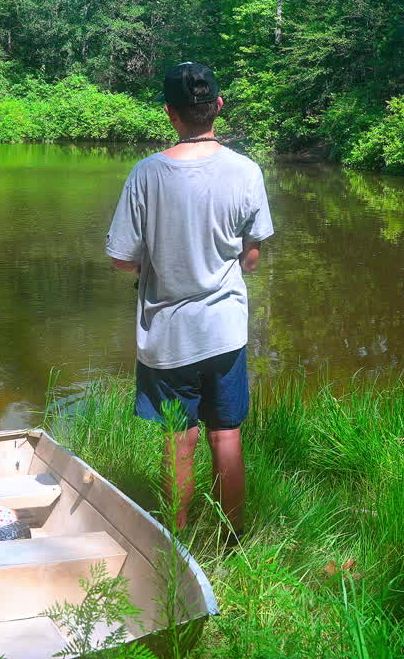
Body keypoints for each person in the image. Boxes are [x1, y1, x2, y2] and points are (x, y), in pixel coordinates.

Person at [105, 61, 274, 538]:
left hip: (168, 335)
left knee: (179, 440)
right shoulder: (246, 171)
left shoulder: (146, 174)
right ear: (218, 105)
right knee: (226, 434)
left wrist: (154, 267)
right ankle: (231, 541)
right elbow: (252, 257)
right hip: (224, 331)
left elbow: (121, 259)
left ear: (170, 113)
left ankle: (175, 545)